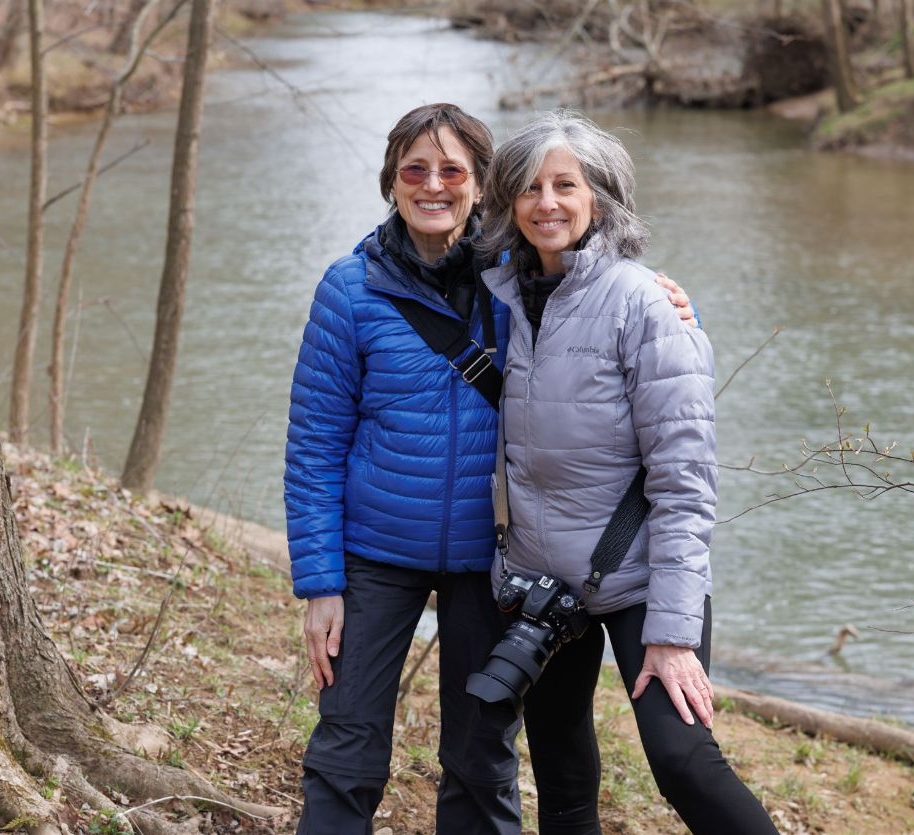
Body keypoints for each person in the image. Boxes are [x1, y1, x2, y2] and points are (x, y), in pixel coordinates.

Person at [284, 102, 697, 834]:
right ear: (391, 181)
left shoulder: (522, 281)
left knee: (481, 758)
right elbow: (314, 445)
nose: (432, 185)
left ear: (482, 186)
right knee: (346, 747)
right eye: (414, 170)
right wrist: (321, 583)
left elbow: (613, 315)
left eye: (452, 171)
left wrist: (672, 305)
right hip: (375, 553)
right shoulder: (349, 290)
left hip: (495, 558)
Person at [475, 111, 779, 834]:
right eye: (530, 187)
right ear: (510, 201)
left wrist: (672, 632)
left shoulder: (643, 303)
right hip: (544, 584)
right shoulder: (504, 297)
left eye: (565, 185)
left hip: (641, 577)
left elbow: (684, 482)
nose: (547, 202)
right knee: (561, 775)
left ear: (599, 197)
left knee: (682, 759)